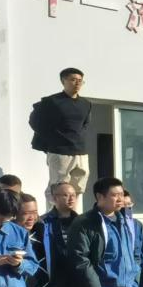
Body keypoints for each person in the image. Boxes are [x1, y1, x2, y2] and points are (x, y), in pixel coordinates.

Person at [29, 68, 92, 210]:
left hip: (81, 151)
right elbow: (35, 122)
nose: (77, 83)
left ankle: (73, 216)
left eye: (80, 80)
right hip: (59, 151)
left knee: (78, 188)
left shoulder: (86, 104)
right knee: (58, 187)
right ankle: (54, 217)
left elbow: (85, 125)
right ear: (63, 81)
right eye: (73, 80)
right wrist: (53, 140)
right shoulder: (51, 101)